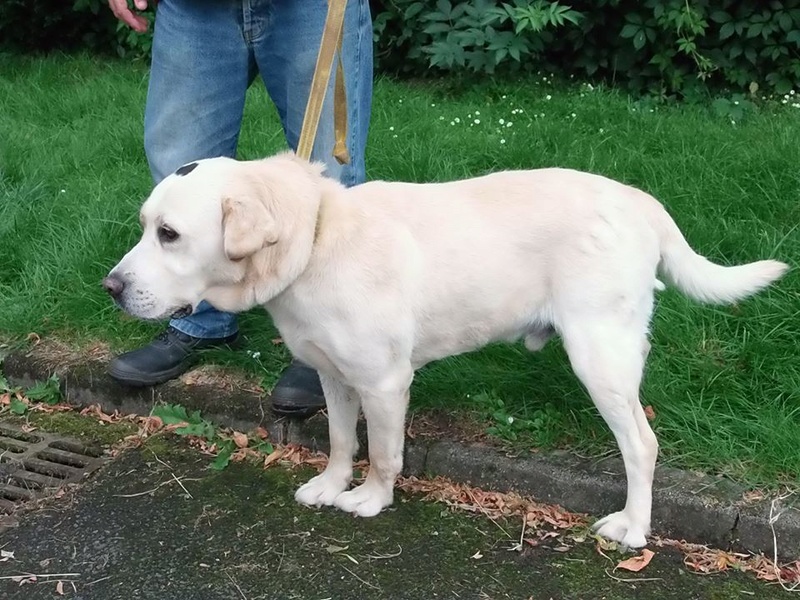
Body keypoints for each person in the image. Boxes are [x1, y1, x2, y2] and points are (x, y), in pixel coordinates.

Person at [106, 0, 373, 418]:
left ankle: (325, 341)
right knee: (179, 168)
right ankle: (200, 317)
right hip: (194, 10)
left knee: (328, 177)